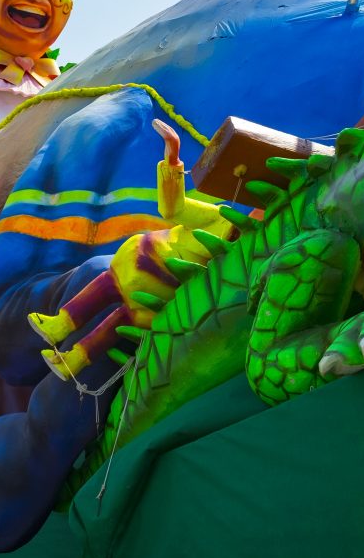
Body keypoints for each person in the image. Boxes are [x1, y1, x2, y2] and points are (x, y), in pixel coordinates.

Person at [28, 119, 238, 378]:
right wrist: (172, 158)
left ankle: (73, 354)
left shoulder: (245, 262)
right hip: (141, 265)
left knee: (120, 314)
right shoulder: (221, 218)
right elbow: (175, 208)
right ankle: (63, 332)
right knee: (108, 291)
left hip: (158, 293)